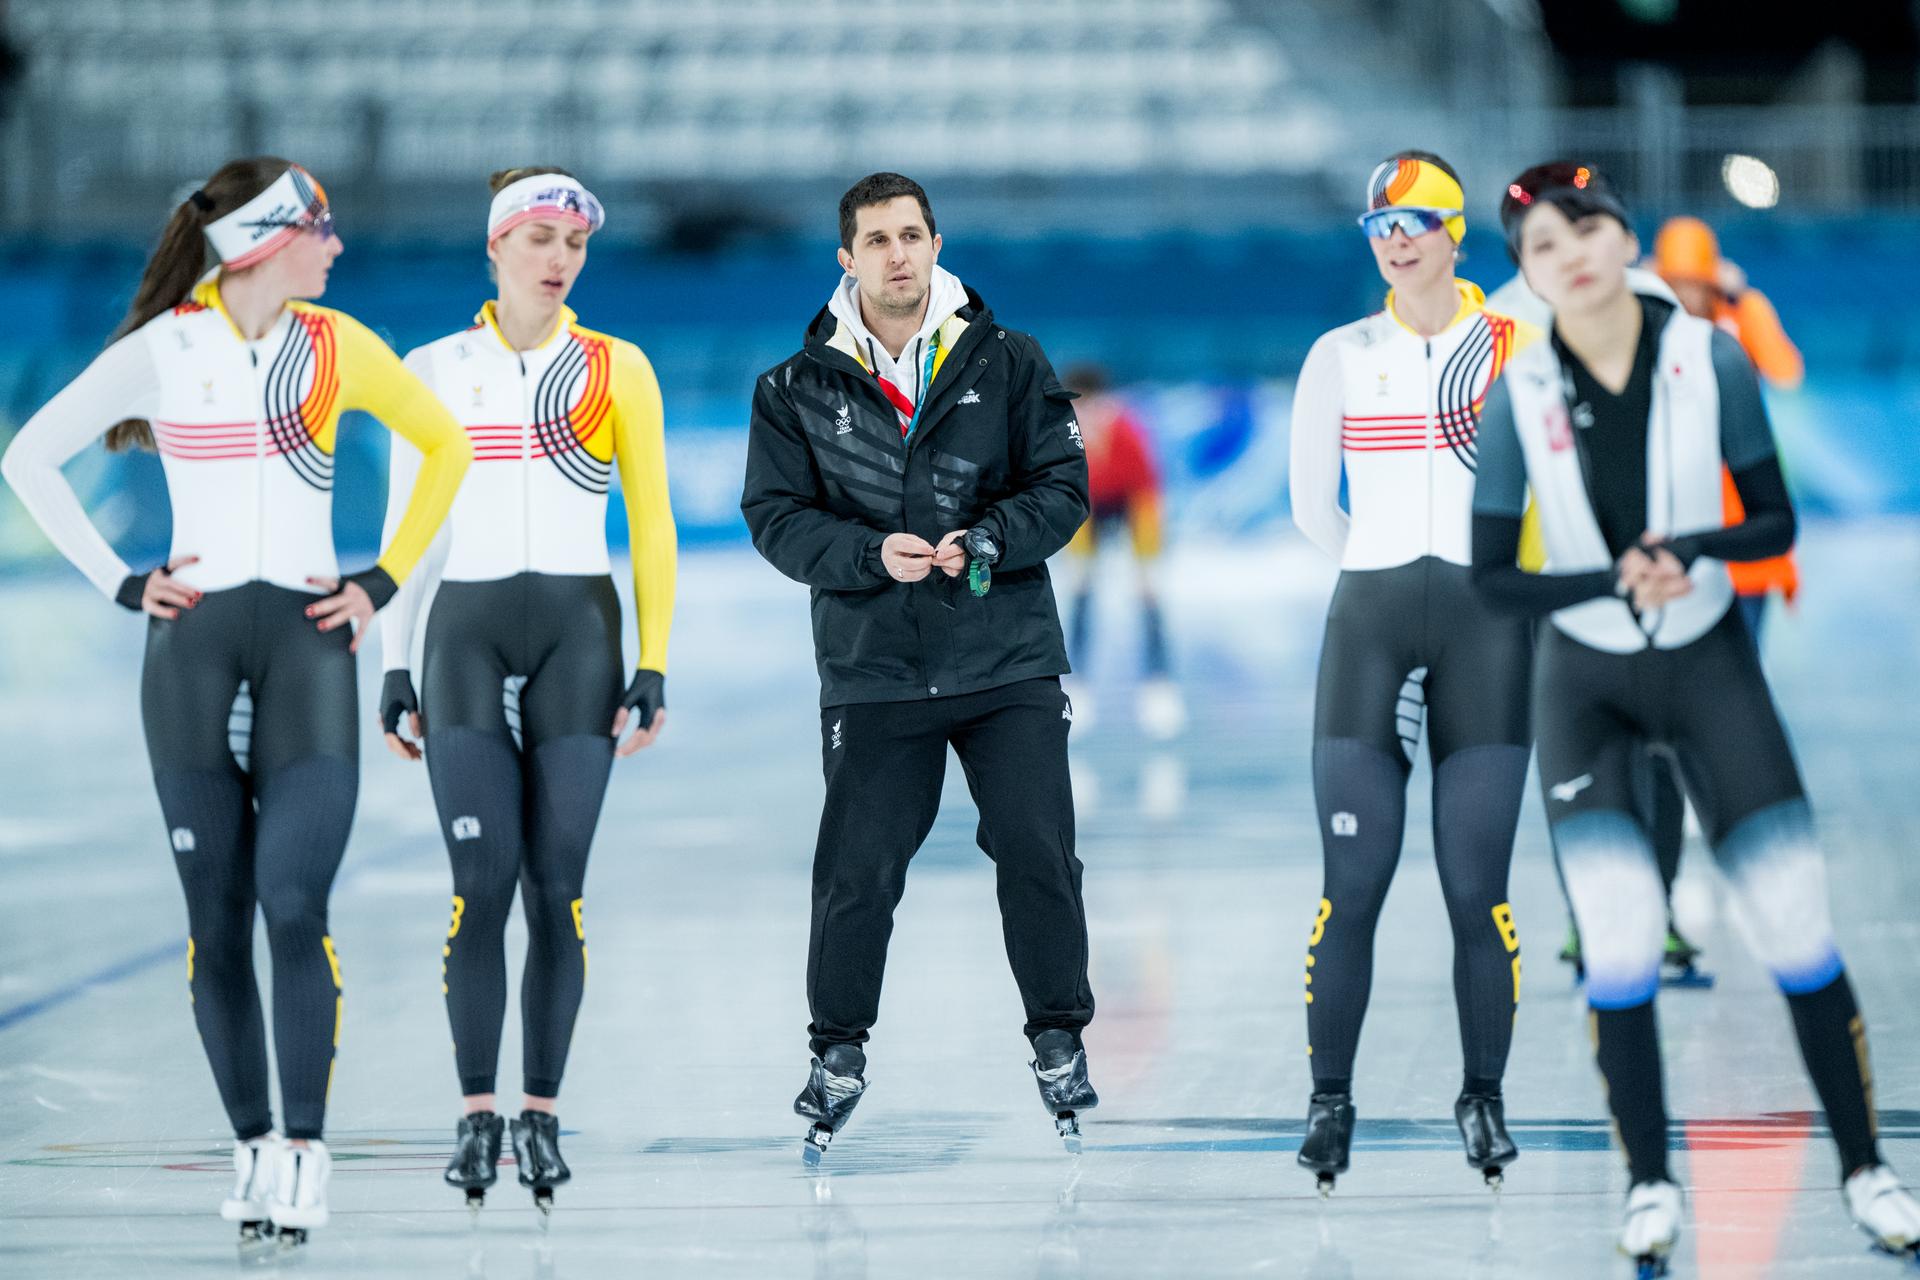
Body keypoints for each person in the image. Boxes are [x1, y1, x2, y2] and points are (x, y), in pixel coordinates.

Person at [0, 158, 470, 1246]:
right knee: (215, 920)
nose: (339, 247)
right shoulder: (163, 352)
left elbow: (446, 444)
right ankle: (254, 1143)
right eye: (323, 229)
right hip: (191, 655)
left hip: (310, 650)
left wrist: (385, 577)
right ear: (266, 240)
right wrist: (120, 579)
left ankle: (304, 1149)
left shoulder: (336, 345)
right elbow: (27, 456)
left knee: (293, 900)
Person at [1472, 160, 1920, 1270]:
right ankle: (1648, 1184)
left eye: (1587, 228)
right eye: (1542, 246)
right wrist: (1612, 580)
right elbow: (1493, 578)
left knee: (1793, 920)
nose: (1569, 253)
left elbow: (1772, 520)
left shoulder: (1708, 355)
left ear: (1624, 240)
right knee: (1619, 943)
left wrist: (1693, 554)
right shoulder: (1518, 394)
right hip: (1585, 683)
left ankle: (1867, 1166)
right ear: (1527, 277)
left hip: (1712, 661)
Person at [740, 172, 1097, 1160]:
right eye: (876, 239)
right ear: (846, 259)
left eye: (912, 234)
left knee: (1036, 851)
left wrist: (988, 537)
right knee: (857, 873)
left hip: (1006, 658)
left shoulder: (1010, 359)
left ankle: (1059, 1034)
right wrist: (867, 555)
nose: (897, 253)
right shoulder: (792, 387)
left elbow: (1063, 486)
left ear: (936, 245)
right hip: (873, 668)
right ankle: (837, 1049)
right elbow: (774, 517)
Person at [376, 167, 677, 1213]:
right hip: (460, 633)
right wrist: (394, 662)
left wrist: (654, 660)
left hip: (579, 636)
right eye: (541, 237)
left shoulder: (615, 367)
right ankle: (475, 1113)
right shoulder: (429, 369)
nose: (560, 259)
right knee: (480, 883)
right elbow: (406, 534)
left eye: (576, 244)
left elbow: (654, 523)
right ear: (496, 246)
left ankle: (539, 1114)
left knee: (557, 887)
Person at [1286, 150, 1537, 1194]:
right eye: (1379, 226)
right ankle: (1330, 1100)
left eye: (1414, 222)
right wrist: (1380, 574)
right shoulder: (1339, 353)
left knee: (1478, 889)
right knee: (1354, 885)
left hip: (1490, 632)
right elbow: (1313, 507)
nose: (1394, 239)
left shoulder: (1519, 346)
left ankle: (1482, 1096)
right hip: (1372, 627)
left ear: (1454, 233)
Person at [1653, 215, 1803, 646]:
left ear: (1712, 281)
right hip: (1675, 524)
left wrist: (1748, 305)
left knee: (1745, 668)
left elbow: (1786, 372)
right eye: (1674, 283)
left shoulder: (1741, 315)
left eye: (1693, 283)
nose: (1685, 295)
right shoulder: (1648, 322)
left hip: (1741, 518)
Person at [1058, 362, 1184, 738]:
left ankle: (1159, 685)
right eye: (1079, 408)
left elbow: (1148, 493)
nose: (1087, 415)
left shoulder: (1127, 429)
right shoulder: (1063, 431)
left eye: (1093, 406)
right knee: (1081, 591)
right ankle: (1076, 684)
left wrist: (1147, 561)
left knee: (1149, 594)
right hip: (1089, 507)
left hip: (1133, 504)